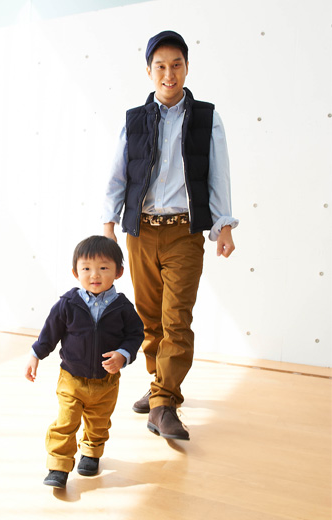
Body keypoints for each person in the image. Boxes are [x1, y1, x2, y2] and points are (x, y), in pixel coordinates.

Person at [102, 30, 239, 441]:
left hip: (184, 233)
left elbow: (218, 174)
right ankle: (158, 381)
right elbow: (118, 175)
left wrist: (224, 225)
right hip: (141, 232)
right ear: (149, 72)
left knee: (177, 319)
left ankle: (164, 404)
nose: (169, 73)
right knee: (150, 320)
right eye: (160, 66)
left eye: (176, 65)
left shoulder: (207, 117)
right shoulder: (134, 120)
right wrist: (108, 226)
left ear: (186, 67)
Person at [25, 235, 144, 489]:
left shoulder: (123, 307)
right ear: (75, 272)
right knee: (66, 421)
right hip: (72, 378)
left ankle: (91, 451)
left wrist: (123, 354)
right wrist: (35, 355)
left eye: (103, 268)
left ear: (118, 272)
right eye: (86, 268)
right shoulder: (68, 304)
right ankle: (58, 465)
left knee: (99, 422)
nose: (95, 275)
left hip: (106, 382)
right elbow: (50, 333)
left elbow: (135, 335)